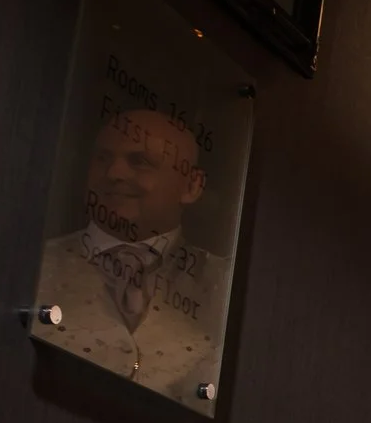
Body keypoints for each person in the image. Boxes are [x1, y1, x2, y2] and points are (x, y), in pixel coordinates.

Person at [31, 108, 232, 405]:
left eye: (140, 162)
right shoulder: (34, 263)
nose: (114, 174)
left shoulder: (228, 288)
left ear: (191, 186)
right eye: (103, 158)